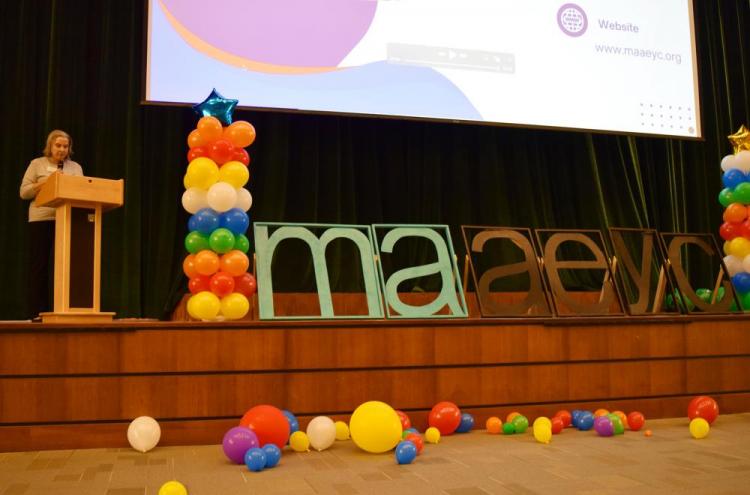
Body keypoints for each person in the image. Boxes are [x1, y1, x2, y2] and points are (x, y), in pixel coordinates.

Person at [19, 130, 84, 320]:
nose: (62, 149)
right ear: (50, 146)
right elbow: (24, 192)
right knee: (39, 267)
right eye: (58, 146)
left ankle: (65, 311)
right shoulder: (37, 164)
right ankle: (37, 312)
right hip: (41, 220)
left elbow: (82, 190)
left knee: (68, 267)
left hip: (68, 219)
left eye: (65, 146)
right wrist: (44, 183)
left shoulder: (75, 167)